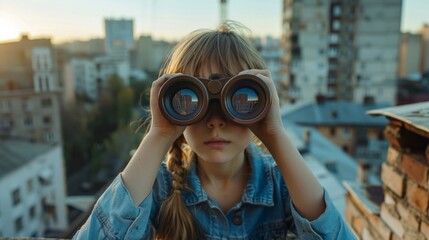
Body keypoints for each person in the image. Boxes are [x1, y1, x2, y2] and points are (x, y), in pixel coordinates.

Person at [73, 22, 356, 240]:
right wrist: (158, 134)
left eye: (241, 100)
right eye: (191, 100)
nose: (216, 121)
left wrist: (274, 133)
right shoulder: (159, 187)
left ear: (264, 103)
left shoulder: (282, 184)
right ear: (170, 104)